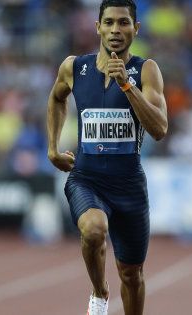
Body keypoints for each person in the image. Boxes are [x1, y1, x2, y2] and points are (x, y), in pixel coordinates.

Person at [47, 1, 168, 314]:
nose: (116, 30)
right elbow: (56, 98)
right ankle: (99, 293)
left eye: (124, 23)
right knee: (94, 228)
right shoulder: (74, 67)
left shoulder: (146, 70)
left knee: (132, 274)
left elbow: (159, 128)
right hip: (86, 178)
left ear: (135, 29)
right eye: (110, 23)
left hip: (128, 185)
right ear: (97, 27)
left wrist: (126, 85)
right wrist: (52, 148)